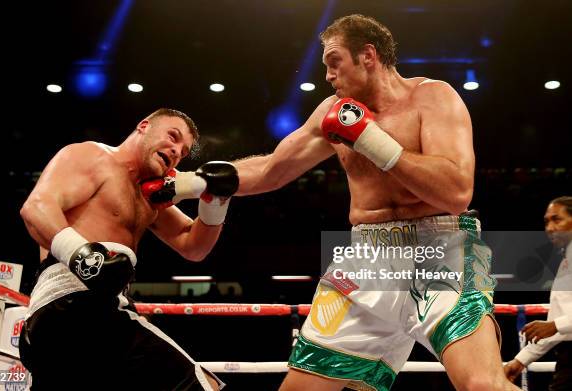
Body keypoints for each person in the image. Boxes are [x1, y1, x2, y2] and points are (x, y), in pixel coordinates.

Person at [234, 14, 520, 391]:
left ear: (368, 55)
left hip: (443, 252)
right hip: (366, 259)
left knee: (482, 385)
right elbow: (271, 170)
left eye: (334, 62)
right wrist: (192, 183)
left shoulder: (433, 97)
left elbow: (455, 193)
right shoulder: (331, 114)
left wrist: (372, 140)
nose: (328, 76)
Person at [19, 108, 238, 390]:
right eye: (173, 137)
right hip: (74, 306)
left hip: (60, 332)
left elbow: (193, 246)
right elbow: (36, 207)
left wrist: (215, 202)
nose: (175, 151)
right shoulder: (93, 156)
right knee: (199, 386)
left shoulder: (148, 197)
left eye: (183, 153)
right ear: (144, 126)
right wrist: (87, 258)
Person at [504, 196, 572, 390]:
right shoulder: (566, 262)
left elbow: (556, 325)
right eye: (547, 221)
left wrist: (555, 325)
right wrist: (520, 360)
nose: (550, 227)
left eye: (557, 219)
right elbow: (558, 325)